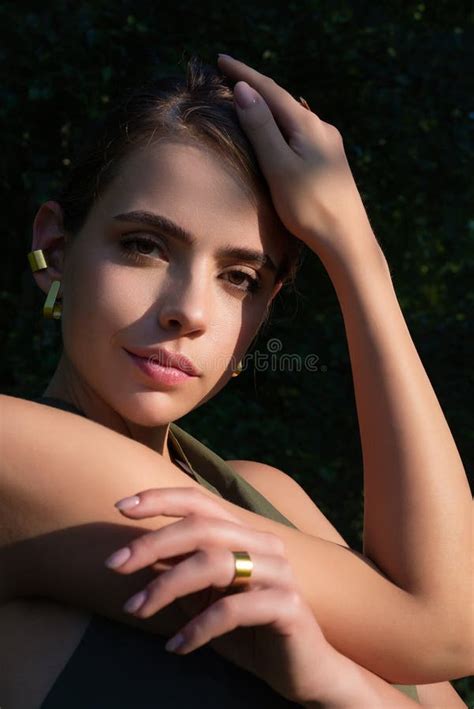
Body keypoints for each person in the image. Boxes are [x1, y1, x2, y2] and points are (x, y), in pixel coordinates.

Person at [0, 54, 470, 707]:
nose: (188, 310)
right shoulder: (11, 449)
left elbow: (444, 654)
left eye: (240, 278)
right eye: (144, 244)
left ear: (260, 317)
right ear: (54, 251)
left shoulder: (269, 497)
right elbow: (443, 629)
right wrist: (353, 245)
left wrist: (331, 680)